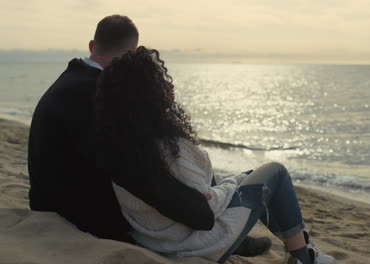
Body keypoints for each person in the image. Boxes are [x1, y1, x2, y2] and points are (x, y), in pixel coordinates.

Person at [95, 46, 336, 264]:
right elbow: (205, 208)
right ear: (150, 93)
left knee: (251, 177)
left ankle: (289, 247)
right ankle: (304, 257)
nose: (170, 86)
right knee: (276, 173)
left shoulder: (124, 144)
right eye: (162, 80)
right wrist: (234, 184)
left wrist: (236, 182)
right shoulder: (166, 148)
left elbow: (192, 191)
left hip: (159, 239)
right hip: (193, 242)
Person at [27, 15, 215, 241]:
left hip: (48, 201)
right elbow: (134, 172)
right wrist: (198, 211)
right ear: (132, 56)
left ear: (92, 45)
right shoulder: (95, 95)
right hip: (73, 216)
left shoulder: (71, 80)